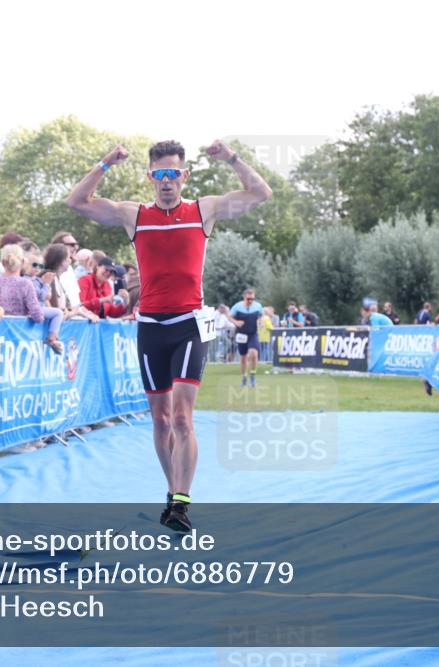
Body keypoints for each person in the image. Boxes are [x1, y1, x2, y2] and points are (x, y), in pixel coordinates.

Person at [65, 138, 272, 532]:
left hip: (191, 324)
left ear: (183, 175)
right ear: (150, 177)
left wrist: (230, 158)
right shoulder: (134, 215)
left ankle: (181, 503)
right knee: (159, 420)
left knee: (181, 417)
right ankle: (171, 491)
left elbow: (261, 192)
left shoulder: (203, 210)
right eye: (159, 174)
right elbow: (77, 201)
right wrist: (105, 163)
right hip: (151, 328)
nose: (166, 181)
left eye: (173, 173)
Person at [0, 244, 64, 353]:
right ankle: (53, 338)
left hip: (0, 332)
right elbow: (38, 317)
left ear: (2, 262)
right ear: (23, 262)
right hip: (20, 337)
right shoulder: (25, 283)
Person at [228, 289, 263, 387]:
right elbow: (229, 317)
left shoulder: (258, 306)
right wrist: (236, 322)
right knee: (243, 357)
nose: (250, 301)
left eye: (252, 299)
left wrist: (260, 323)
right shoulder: (237, 306)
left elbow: (261, 316)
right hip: (241, 335)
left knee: (254, 353)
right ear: (244, 297)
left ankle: (253, 374)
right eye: (248, 299)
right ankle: (244, 377)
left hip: (253, 334)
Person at [78, 252, 127, 318]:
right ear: (98, 266)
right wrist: (101, 300)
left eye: (111, 271)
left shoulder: (107, 286)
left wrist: (125, 302)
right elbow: (80, 306)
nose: (108, 273)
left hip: (98, 325)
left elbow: (112, 313)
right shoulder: (84, 280)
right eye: (106, 269)